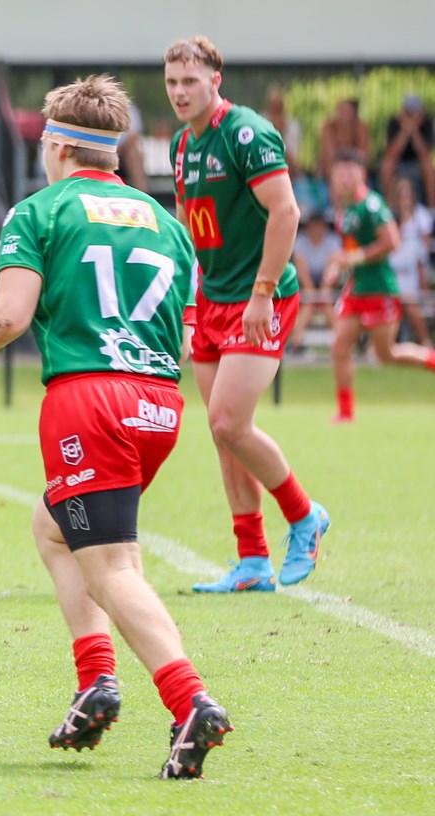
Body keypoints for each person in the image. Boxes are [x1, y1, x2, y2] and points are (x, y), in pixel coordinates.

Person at [0, 75, 231, 780]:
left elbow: (7, 318)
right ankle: (97, 680)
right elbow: (179, 336)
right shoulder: (168, 225)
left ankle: (190, 700)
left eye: (43, 142)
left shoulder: (40, 212)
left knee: (111, 565)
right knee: (55, 524)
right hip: (158, 404)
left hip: (87, 401)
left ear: (61, 146)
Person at [165, 36, 329, 592]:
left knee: (227, 422)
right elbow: (191, 231)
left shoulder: (247, 133)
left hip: (261, 298)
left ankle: (305, 516)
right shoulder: (181, 146)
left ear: (216, 79)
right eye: (171, 82)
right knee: (224, 435)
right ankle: (253, 560)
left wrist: (262, 292)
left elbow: (286, 212)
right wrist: (190, 309)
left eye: (190, 80)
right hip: (212, 300)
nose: (180, 91)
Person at [326, 150, 435, 423]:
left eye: (351, 171)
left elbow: (392, 241)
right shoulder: (345, 209)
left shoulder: (371, 205)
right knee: (339, 347)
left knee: (387, 354)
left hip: (378, 288)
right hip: (357, 287)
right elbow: (351, 250)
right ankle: (346, 412)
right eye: (340, 172)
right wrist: (338, 265)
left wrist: (354, 257)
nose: (345, 177)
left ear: (362, 175)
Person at [388, 177, 433, 346]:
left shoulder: (420, 217)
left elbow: (422, 258)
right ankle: (380, 344)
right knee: (395, 302)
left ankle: (425, 341)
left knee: (410, 302)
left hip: (411, 275)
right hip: (391, 274)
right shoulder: (389, 217)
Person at [290, 211, 341, 353]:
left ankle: (341, 341)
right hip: (307, 284)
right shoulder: (300, 241)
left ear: (324, 227)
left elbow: (332, 271)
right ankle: (295, 342)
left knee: (325, 299)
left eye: (320, 225)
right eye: (314, 225)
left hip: (328, 282)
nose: (317, 229)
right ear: (308, 227)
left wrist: (323, 292)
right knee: (310, 301)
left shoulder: (333, 241)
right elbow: (304, 277)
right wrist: (314, 295)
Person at [380, 95, 435, 209]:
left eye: (414, 113)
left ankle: (432, 207)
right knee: (387, 164)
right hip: (399, 164)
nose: (411, 116)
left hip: (418, 164)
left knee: (428, 165)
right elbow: (392, 152)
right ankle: (388, 206)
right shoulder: (394, 122)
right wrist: (405, 130)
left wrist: (414, 131)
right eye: (409, 113)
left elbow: (424, 153)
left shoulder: (427, 123)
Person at [318, 99, 371, 183]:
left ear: (354, 113)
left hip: (356, 166)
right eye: (341, 110)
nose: (344, 114)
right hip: (333, 166)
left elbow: (364, 156)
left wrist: (351, 168)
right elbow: (330, 154)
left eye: (347, 111)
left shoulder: (361, 127)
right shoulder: (329, 127)